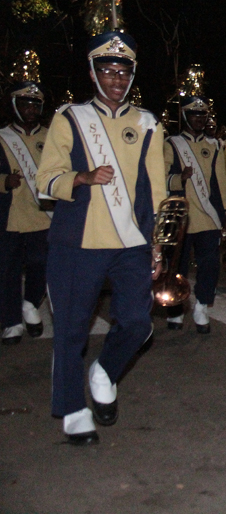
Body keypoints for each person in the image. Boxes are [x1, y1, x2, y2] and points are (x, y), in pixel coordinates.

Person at [36, 25, 166, 445]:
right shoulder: (70, 118)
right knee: (72, 330)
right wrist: (82, 177)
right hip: (78, 241)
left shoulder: (148, 123)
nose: (117, 80)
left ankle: (105, 371)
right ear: (93, 73)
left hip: (132, 242)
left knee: (136, 323)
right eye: (108, 71)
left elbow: (159, 189)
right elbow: (45, 181)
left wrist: (160, 243)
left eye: (124, 73)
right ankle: (73, 410)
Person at [163, 93, 226, 333]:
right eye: (194, 114)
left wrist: (225, 216)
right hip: (180, 215)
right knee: (176, 266)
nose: (200, 119)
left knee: (210, 264)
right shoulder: (171, 143)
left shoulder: (215, 145)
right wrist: (178, 178)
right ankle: (176, 309)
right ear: (184, 116)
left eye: (203, 114)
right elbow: (160, 178)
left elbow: (220, 182)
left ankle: (202, 305)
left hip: (208, 215)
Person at [0, 70, 51, 344]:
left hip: (44, 216)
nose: (30, 109)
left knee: (41, 264)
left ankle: (30, 304)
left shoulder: (52, 136)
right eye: (25, 104)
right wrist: (3, 181)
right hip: (10, 216)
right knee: (7, 270)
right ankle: (11, 322)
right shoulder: (2, 137)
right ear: (14, 106)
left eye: (35, 105)